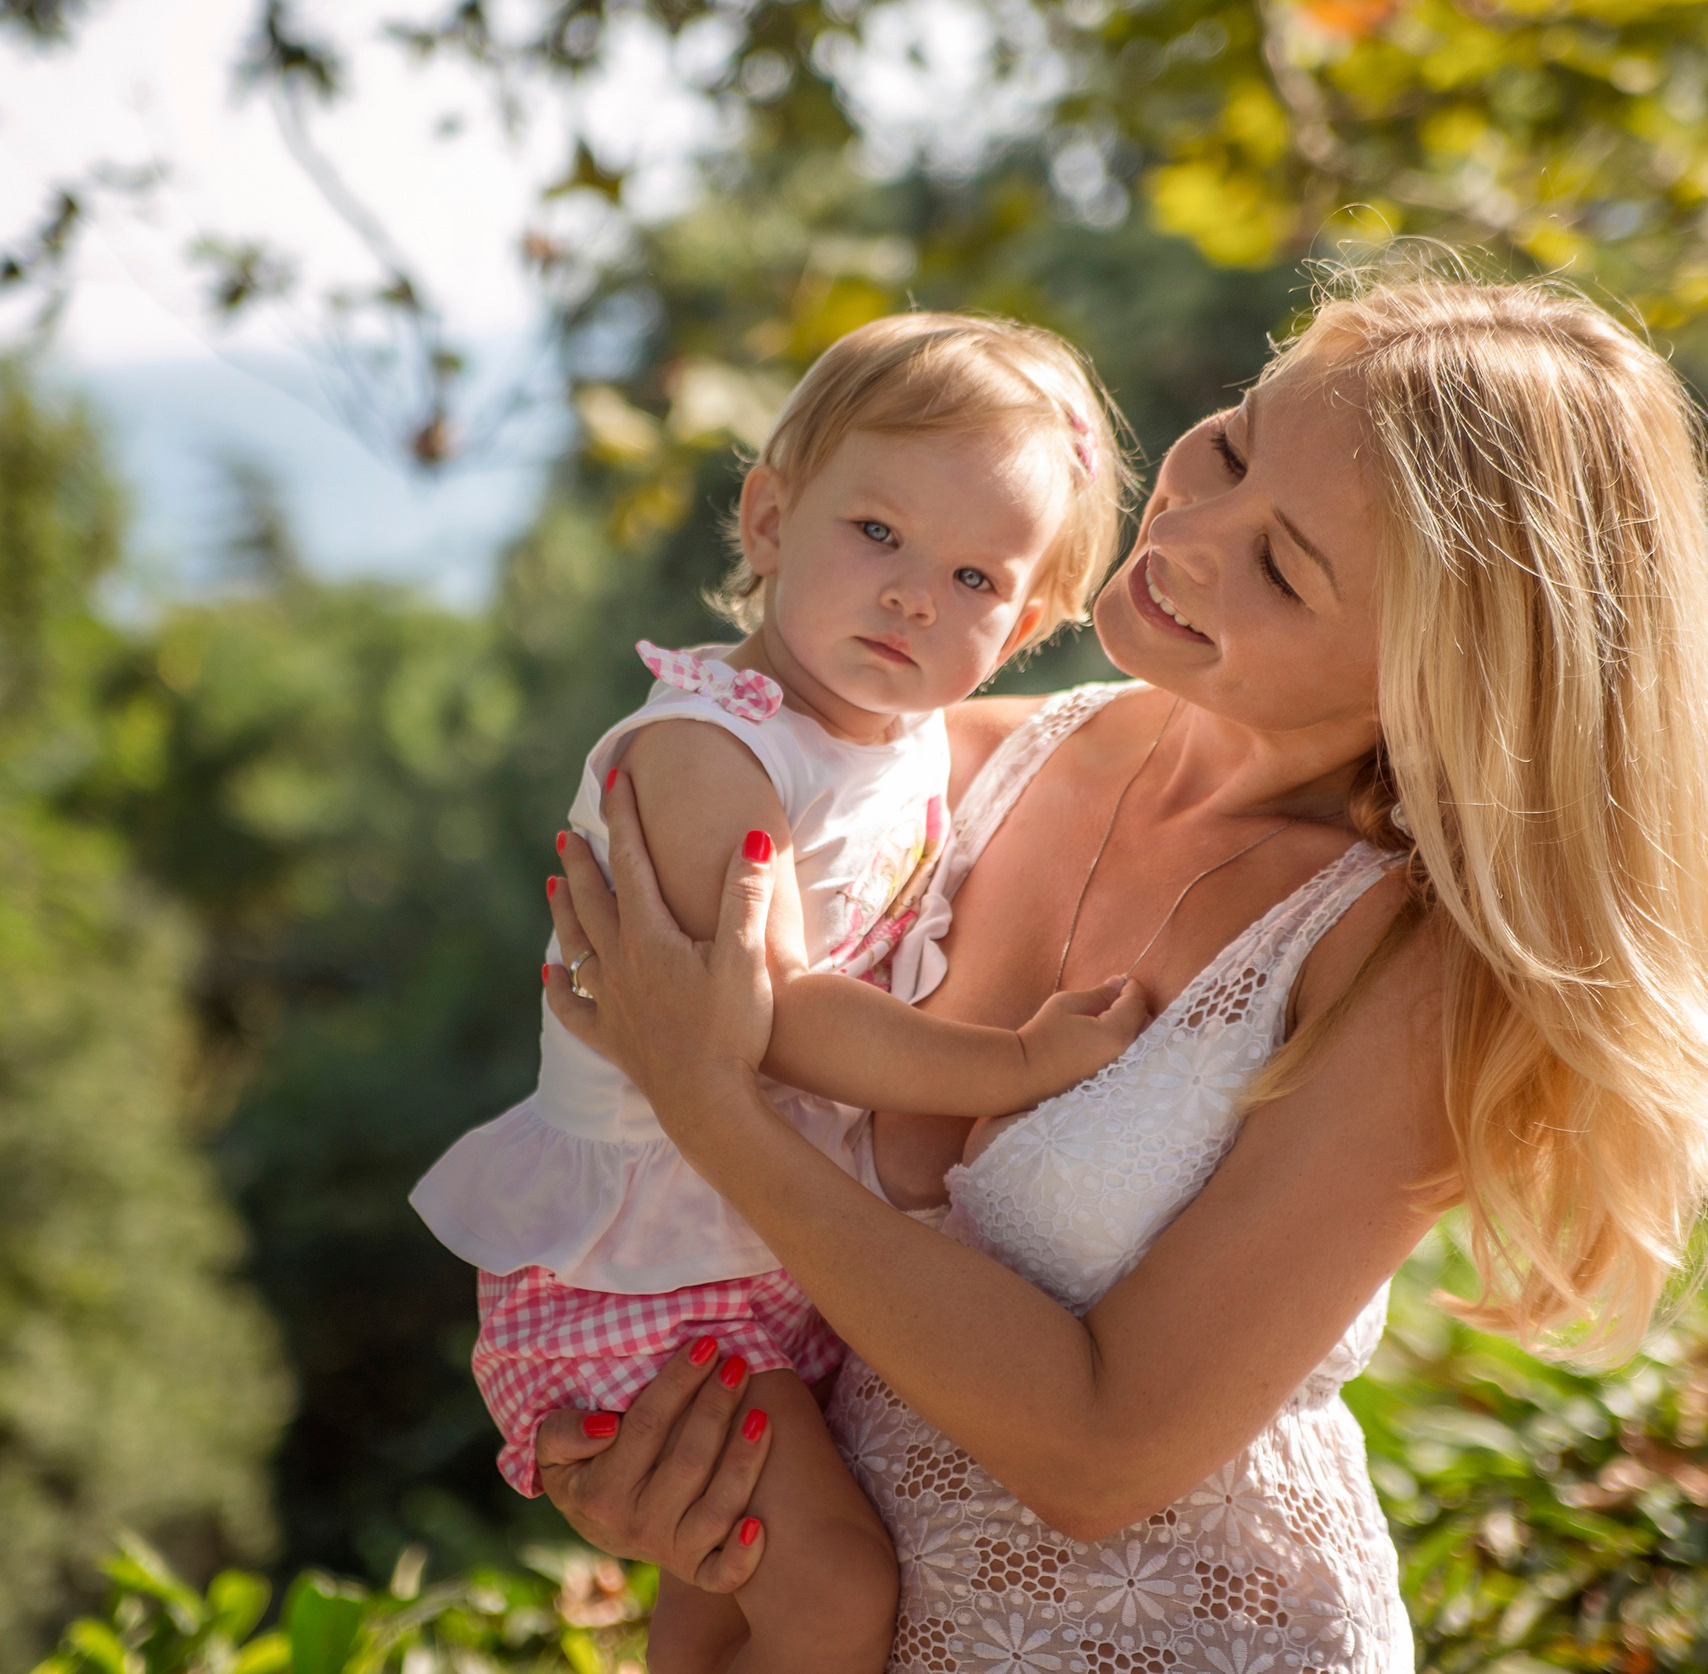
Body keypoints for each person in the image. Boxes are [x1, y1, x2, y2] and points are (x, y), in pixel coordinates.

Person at [534, 270, 1708, 1673]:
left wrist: (716, 1109)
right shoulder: (931, 764)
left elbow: (1103, 1449)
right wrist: (643, 1450)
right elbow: (648, 1187)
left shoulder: (1408, 964)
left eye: (1282, 565)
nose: (1188, 529)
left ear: (1438, 672)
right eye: (1226, 445)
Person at [411, 312, 1157, 1674]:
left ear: (1027, 626)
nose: (914, 595)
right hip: (647, 1264)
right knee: (829, 1590)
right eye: (875, 532)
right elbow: (777, 1020)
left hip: (751, 1246)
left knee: (720, 1599)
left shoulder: (908, 732)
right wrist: (1018, 1061)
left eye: (975, 574)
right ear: (767, 516)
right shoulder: (710, 748)